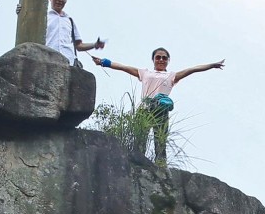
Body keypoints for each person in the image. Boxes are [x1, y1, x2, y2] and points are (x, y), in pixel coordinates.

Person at [94, 47, 225, 166]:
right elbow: (124, 67)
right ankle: (137, 164)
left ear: (168, 61)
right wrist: (104, 62)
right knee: (140, 138)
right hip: (145, 108)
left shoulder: (171, 76)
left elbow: (192, 69)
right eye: (158, 57)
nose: (161, 60)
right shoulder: (145, 73)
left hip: (161, 109)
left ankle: (161, 167)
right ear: (153, 60)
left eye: (164, 58)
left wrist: (212, 65)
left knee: (160, 141)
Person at [44, 0, 103, 66]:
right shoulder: (44, 17)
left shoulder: (69, 20)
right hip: (48, 60)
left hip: (69, 62)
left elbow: (78, 45)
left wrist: (95, 44)